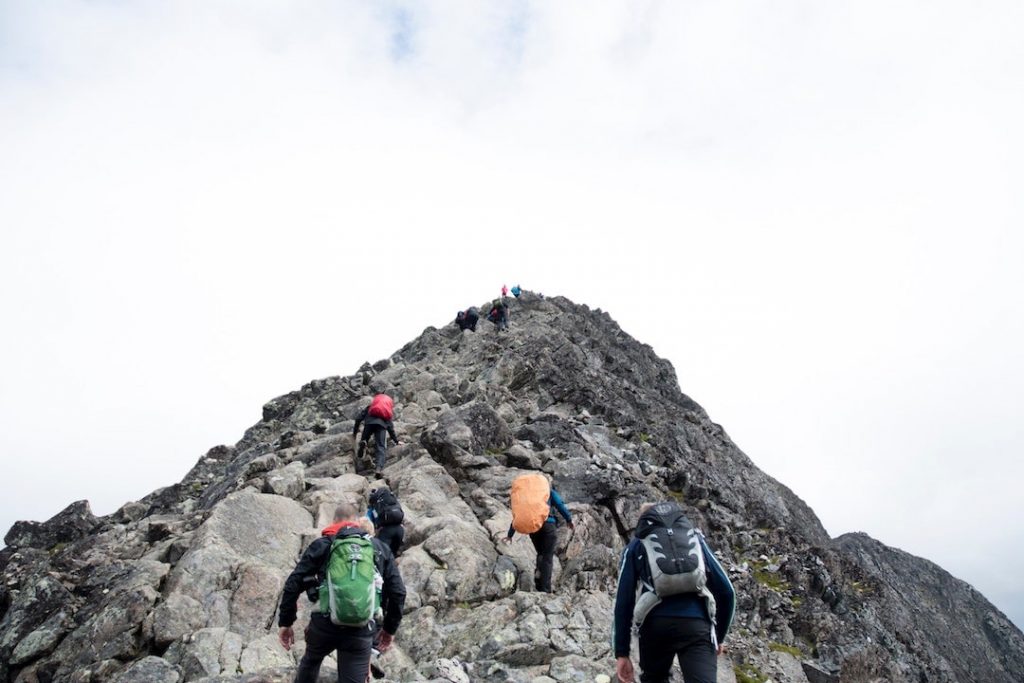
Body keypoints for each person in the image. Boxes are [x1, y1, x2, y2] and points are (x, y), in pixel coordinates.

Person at [278, 501, 406, 683]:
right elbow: (398, 592)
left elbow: (293, 583)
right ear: (357, 521)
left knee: (311, 660)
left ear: (334, 520)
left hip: (324, 625)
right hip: (361, 627)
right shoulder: (378, 548)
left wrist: (286, 622)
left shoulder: (323, 544)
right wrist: (389, 629)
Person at [612, 501, 735, 683]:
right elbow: (727, 591)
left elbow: (623, 601)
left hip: (655, 625)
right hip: (697, 625)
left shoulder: (636, 545)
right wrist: (718, 635)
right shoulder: (694, 539)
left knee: (654, 679)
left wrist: (622, 652)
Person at [503, 484, 573, 592]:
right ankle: (545, 589)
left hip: (533, 528)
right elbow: (560, 504)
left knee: (540, 553)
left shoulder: (527, 497)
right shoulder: (547, 491)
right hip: (548, 526)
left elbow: (520, 516)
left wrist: (510, 534)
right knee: (547, 557)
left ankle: (539, 580)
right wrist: (569, 519)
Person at [353, 395, 399, 477]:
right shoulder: (386, 411)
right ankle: (378, 468)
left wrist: (355, 432)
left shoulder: (371, 407)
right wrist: (396, 441)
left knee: (365, 438)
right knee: (381, 447)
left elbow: (358, 418)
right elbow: (390, 427)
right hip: (381, 427)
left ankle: (363, 442)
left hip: (369, 424)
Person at [367, 486, 405, 557]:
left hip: (386, 531)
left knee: (382, 555)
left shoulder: (374, 506)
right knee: (393, 555)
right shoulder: (393, 501)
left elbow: (367, 520)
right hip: (400, 530)